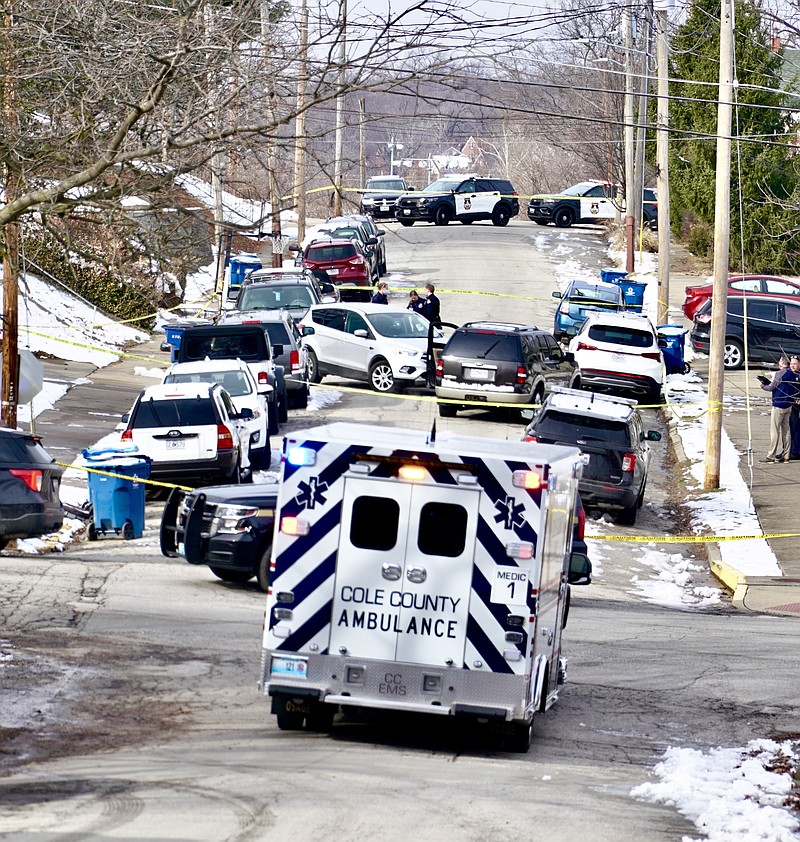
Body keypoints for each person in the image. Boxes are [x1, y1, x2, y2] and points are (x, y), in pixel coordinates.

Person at [758, 355, 800, 463]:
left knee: (775, 431)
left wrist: (763, 385)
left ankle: (770, 456)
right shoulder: (793, 374)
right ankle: (786, 456)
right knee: (786, 431)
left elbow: (771, 387)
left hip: (779, 406)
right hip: (789, 406)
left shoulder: (780, 373)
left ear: (782, 362)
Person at [788, 355, 800, 460]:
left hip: (797, 407)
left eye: (795, 363)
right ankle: (790, 451)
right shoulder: (789, 375)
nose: (792, 366)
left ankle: (796, 452)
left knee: (796, 430)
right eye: (791, 363)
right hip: (790, 406)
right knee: (791, 430)